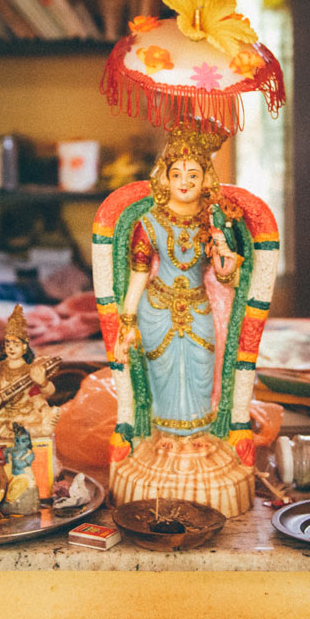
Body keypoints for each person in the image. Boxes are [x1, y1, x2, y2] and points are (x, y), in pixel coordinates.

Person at [112, 124, 243, 437]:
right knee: (162, 380)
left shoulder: (213, 221)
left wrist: (225, 256)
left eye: (193, 175)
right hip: (157, 312)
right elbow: (139, 276)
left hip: (199, 310)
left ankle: (199, 439)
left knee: (202, 371)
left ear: (205, 179)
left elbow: (229, 278)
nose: (185, 182)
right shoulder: (148, 223)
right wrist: (127, 323)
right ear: (165, 179)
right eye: (177, 175)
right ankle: (165, 440)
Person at [0, 305, 60, 440]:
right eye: (8, 344)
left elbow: (46, 393)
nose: (11, 348)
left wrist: (43, 382)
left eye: (16, 345)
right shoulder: (0, 367)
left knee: (38, 425)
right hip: (3, 416)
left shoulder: (31, 369)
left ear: (24, 346)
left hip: (26, 415)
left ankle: (36, 428)